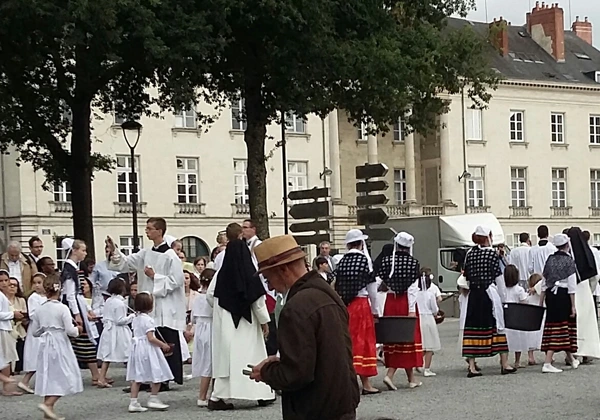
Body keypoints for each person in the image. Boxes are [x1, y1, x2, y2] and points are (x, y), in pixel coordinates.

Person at [250, 235, 360, 420]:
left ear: (283, 269)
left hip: (314, 407)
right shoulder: (328, 294)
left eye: (268, 278)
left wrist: (266, 372)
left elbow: (296, 373)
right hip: (342, 402)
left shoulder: (296, 307)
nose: (270, 286)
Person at [107, 217, 186, 389]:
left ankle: (164, 379)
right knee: (147, 342)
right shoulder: (146, 253)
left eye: (150, 228)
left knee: (164, 339)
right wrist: (114, 251)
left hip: (165, 306)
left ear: (160, 231)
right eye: (147, 228)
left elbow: (176, 281)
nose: (147, 231)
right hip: (149, 305)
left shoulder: (171, 256)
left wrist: (154, 277)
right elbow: (127, 263)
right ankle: (147, 378)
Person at [206, 222, 274, 411]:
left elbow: (210, 295)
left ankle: (218, 396)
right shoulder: (247, 268)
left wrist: (221, 310)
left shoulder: (222, 271)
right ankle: (260, 393)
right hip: (247, 322)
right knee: (251, 355)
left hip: (225, 320)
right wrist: (264, 321)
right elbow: (256, 297)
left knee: (226, 361)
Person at [461, 226, 515, 377]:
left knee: (472, 326)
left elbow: (466, 275)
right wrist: (504, 300)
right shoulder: (492, 255)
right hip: (489, 294)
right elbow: (499, 279)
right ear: (488, 237)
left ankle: (471, 366)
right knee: (497, 326)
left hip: (474, 294)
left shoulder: (469, 254)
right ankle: (504, 363)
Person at [374, 232, 423, 389]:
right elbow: (413, 289)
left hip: (391, 302)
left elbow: (377, 282)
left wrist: (378, 302)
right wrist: (410, 309)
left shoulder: (387, 261)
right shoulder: (413, 263)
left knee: (394, 339)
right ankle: (391, 375)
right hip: (405, 302)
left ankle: (411, 378)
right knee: (407, 339)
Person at [31, 273, 83, 420]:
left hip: (46, 344)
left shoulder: (40, 309)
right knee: (67, 375)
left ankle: (48, 412)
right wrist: (77, 329)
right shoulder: (62, 308)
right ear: (59, 289)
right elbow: (70, 331)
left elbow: (35, 332)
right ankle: (48, 404)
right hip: (60, 343)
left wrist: (46, 328)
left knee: (49, 375)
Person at [334, 229, 379, 394]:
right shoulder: (365, 261)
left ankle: (346, 380)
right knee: (363, 342)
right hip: (360, 304)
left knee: (347, 342)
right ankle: (366, 384)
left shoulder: (341, 261)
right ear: (361, 243)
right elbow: (372, 288)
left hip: (345, 305)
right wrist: (375, 310)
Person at [59, 238, 101, 384]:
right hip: (72, 307)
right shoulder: (69, 270)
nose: (85, 253)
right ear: (74, 251)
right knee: (80, 339)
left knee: (82, 339)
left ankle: (96, 374)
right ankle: (95, 375)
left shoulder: (74, 268)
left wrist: (88, 309)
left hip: (77, 305)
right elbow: (71, 295)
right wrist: (77, 314)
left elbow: (78, 294)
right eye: (82, 250)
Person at [126, 292, 173, 412]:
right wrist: (163, 345)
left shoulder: (135, 318)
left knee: (137, 376)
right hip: (148, 349)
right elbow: (150, 337)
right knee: (157, 372)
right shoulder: (148, 320)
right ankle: (153, 397)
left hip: (137, 349)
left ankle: (133, 401)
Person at [539, 233, 579, 373]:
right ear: (567, 245)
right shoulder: (569, 261)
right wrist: (573, 305)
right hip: (563, 295)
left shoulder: (550, 259)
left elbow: (544, 282)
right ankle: (547, 362)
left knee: (557, 325)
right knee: (561, 326)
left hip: (551, 295)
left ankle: (572, 359)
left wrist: (541, 301)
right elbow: (572, 286)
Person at [242, 219, 278, 357]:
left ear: (253, 229)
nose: (243, 230)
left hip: (263, 287)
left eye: (246, 227)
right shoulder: (244, 245)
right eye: (242, 228)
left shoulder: (259, 245)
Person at [565, 227, 600, 362]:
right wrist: (590, 291)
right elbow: (595, 276)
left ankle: (573, 354)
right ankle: (586, 353)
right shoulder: (588, 252)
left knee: (573, 324)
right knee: (586, 325)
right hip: (585, 290)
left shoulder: (567, 255)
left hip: (572, 292)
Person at [97, 278, 134, 388]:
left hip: (108, 330)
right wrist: (132, 316)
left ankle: (101, 377)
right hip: (118, 331)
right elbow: (120, 320)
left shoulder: (108, 300)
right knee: (128, 353)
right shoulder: (120, 303)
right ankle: (133, 379)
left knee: (107, 356)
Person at [18, 273, 47, 394]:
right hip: (37, 329)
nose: (37, 285)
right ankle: (25, 381)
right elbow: (33, 314)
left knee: (45, 357)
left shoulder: (46, 297)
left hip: (45, 329)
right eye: (34, 283)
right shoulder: (33, 298)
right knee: (36, 356)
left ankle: (44, 383)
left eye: (39, 283)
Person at [192, 268, 215, 407]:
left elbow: (193, 317)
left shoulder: (197, 296)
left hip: (200, 327)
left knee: (205, 360)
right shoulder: (211, 297)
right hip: (210, 327)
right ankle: (202, 396)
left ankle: (209, 394)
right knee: (210, 362)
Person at [0, 269, 24, 396]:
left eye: (6, 280)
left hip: (5, 327)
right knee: (5, 357)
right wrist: (12, 314)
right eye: (1, 281)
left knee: (7, 358)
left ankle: (7, 387)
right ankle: (6, 384)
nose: (4, 283)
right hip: (1, 328)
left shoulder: (3, 295)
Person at [503, 265, 530, 368]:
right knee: (518, 339)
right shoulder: (519, 289)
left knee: (505, 339)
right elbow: (524, 302)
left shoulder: (502, 289)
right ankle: (517, 361)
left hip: (506, 317)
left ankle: (504, 360)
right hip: (517, 317)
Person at [416, 270, 441, 377]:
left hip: (418, 318)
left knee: (421, 344)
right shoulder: (430, 294)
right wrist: (436, 314)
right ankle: (427, 369)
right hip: (428, 318)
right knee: (429, 346)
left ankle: (417, 363)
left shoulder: (415, 294)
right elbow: (434, 309)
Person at [6, 277, 27, 374]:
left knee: (19, 352)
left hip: (20, 331)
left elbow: (25, 314)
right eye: (10, 285)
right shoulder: (3, 300)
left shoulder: (21, 300)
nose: (12, 287)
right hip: (7, 331)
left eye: (15, 285)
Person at [525, 273, 544, 365]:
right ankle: (549, 357)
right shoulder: (543, 297)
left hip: (531, 320)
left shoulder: (529, 297)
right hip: (542, 319)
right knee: (543, 337)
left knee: (530, 338)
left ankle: (530, 357)